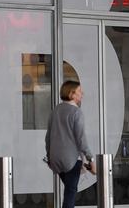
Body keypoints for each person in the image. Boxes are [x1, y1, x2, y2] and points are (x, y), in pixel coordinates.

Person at [45, 80, 96, 208]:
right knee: (71, 191)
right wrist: (91, 159)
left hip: (55, 159)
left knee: (70, 188)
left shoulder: (55, 110)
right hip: (71, 160)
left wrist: (49, 157)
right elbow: (81, 139)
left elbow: (48, 137)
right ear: (71, 94)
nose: (82, 94)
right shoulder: (76, 112)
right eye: (79, 91)